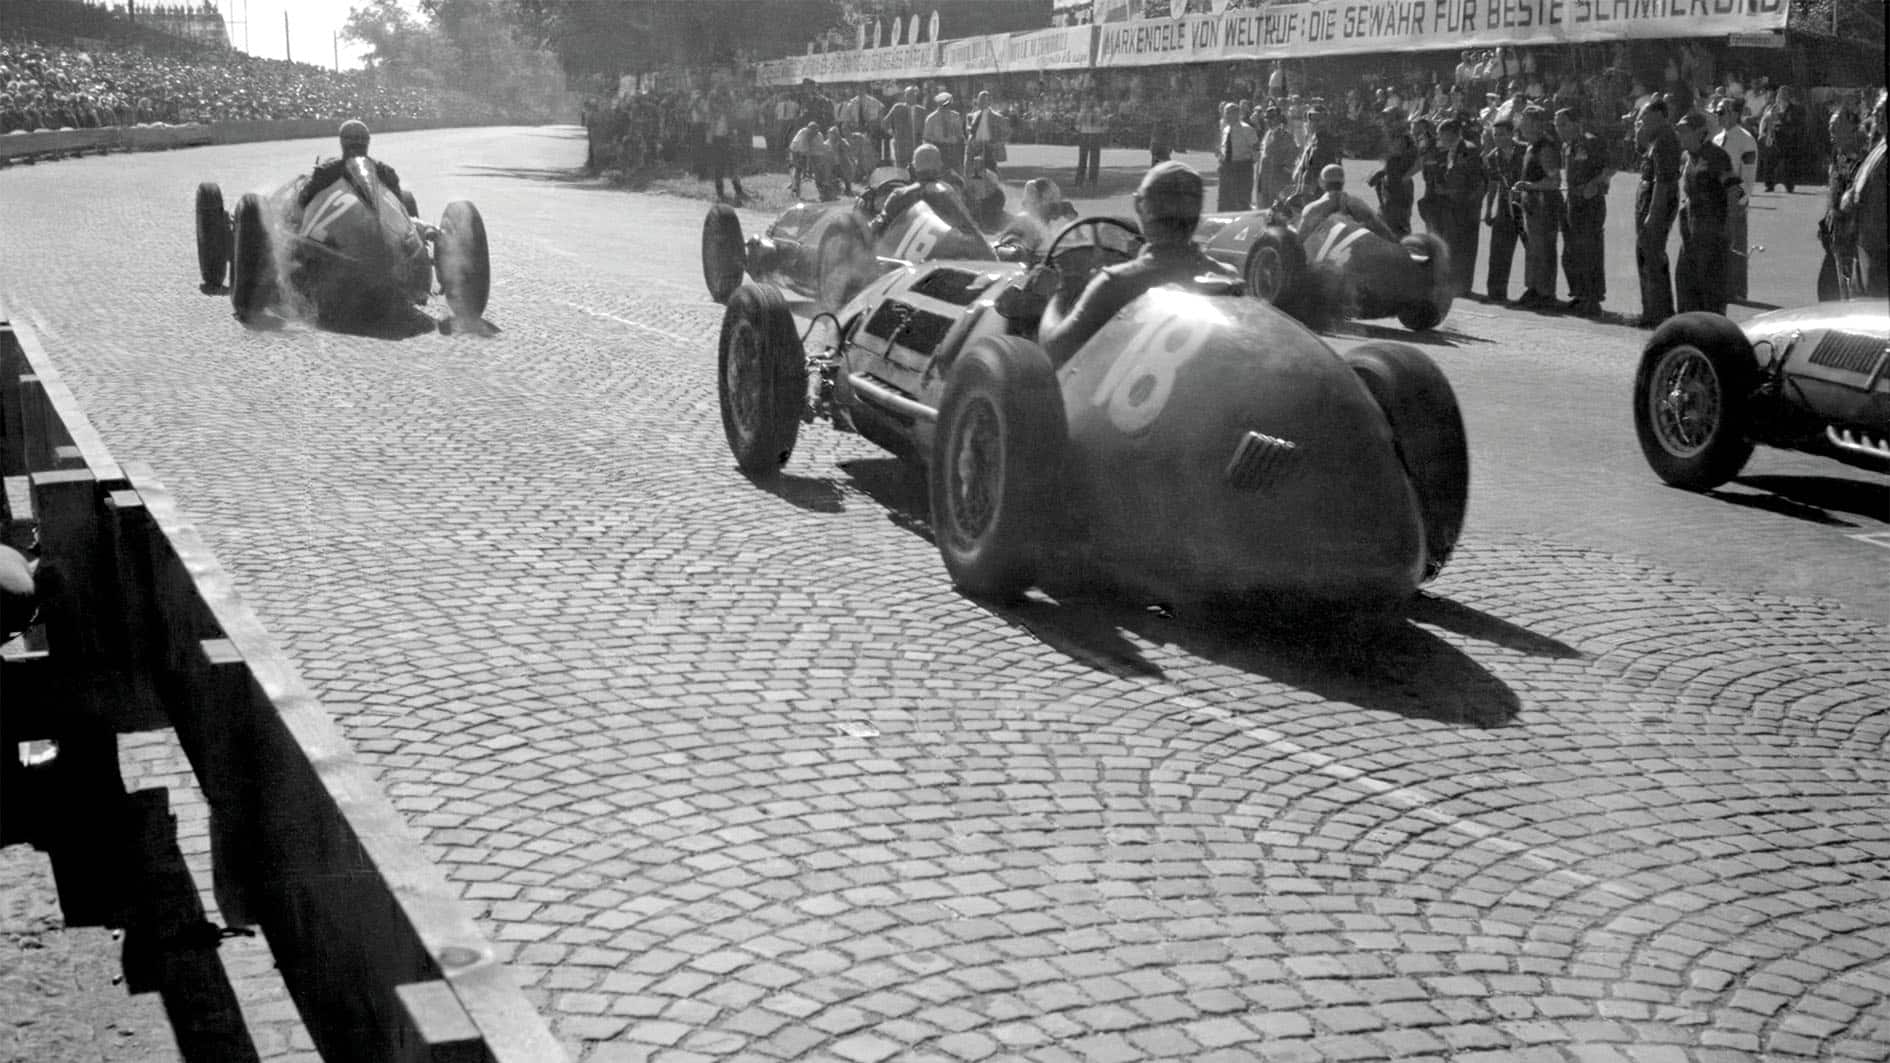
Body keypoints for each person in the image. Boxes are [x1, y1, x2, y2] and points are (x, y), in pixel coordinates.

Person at [1039, 161, 1238, 365]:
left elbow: (1053, 352)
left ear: (1138, 205)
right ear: (1197, 212)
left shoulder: (1116, 284)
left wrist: (1061, 293)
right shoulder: (1228, 280)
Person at [1675, 111, 1741, 314]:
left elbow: (1733, 191)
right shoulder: (1687, 157)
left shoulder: (1716, 156)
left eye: (1686, 131)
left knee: (1710, 287)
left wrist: (1730, 227)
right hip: (1691, 229)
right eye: (1680, 131)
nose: (1681, 135)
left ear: (1701, 133)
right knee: (1685, 281)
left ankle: (1712, 333)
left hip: (1712, 230)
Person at [1556, 107, 1609, 316]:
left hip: (1590, 203)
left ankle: (1593, 298)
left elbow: (1609, 168)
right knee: (1571, 251)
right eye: (1557, 125)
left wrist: (1593, 185)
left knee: (1590, 251)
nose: (1560, 129)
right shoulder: (1567, 146)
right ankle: (1578, 294)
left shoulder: (1591, 141)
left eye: (1564, 124)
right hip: (1572, 201)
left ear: (1577, 123)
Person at [1633, 99, 1681, 327]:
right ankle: (1651, 310)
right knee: (1645, 253)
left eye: (1646, 116)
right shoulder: (1655, 139)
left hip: (1657, 202)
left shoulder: (1665, 140)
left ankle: (1658, 313)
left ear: (1660, 116)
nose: (1642, 120)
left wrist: (1654, 213)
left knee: (1652, 255)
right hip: (1649, 199)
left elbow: (1663, 181)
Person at [872, 144, 982, 239]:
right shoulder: (947, 192)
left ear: (915, 166)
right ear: (939, 165)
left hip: (905, 256)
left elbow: (878, 226)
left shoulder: (900, 195)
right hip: (946, 255)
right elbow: (969, 227)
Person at [1512, 106, 1563, 309]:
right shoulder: (1531, 146)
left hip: (1544, 204)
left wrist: (1529, 186)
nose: (1521, 125)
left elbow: (1554, 181)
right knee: (1533, 248)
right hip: (1532, 204)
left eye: (1525, 121)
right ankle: (1533, 288)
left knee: (1543, 249)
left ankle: (1545, 293)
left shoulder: (1545, 148)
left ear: (1535, 123)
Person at [1836, 92, 1886, 297]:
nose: (1874, 114)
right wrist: (1851, 195)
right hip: (1865, 243)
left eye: (1880, 110)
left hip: (1879, 249)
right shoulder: (1881, 146)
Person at [297, 120, 402, 213]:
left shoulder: (385, 172)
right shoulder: (326, 171)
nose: (357, 142)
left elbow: (400, 208)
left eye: (360, 138)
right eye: (352, 138)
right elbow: (303, 201)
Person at [1713, 98, 1758, 301]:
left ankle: (1738, 290)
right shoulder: (1717, 139)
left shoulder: (1745, 139)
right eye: (1717, 112)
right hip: (1716, 200)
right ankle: (1721, 284)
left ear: (1734, 114)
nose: (1718, 116)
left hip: (1733, 200)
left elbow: (1748, 175)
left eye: (1722, 112)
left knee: (1736, 245)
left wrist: (1741, 199)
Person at [1436, 119, 1487, 298]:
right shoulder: (1450, 150)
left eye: (1442, 134)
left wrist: (1454, 193)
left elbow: (1476, 181)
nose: (1440, 138)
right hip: (1453, 205)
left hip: (1466, 207)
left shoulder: (1468, 150)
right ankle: (1454, 284)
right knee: (1453, 245)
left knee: (1465, 247)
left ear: (1451, 133)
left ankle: (1463, 286)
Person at [1481, 117, 1525, 303]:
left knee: (1533, 249)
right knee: (1499, 250)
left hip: (1527, 206)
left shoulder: (1525, 150)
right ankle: (1496, 293)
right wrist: (1489, 209)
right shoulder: (1493, 157)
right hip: (1505, 206)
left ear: (1512, 133)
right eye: (1495, 135)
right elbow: (1493, 184)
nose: (1498, 138)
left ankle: (1538, 293)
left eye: (1502, 134)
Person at [1299, 164, 1397, 241]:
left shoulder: (1312, 209)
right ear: (1343, 182)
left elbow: (1299, 241)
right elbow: (1385, 233)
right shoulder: (1359, 205)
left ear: (1321, 183)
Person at [1374, 108, 1418, 237]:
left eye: (1388, 119)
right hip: (1389, 186)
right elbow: (1392, 161)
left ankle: (1404, 253)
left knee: (1398, 226)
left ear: (1398, 121)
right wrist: (1382, 172)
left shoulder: (1405, 139)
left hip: (1399, 188)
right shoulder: (1393, 138)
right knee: (1385, 222)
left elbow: (1417, 162)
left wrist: (1404, 178)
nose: (1385, 123)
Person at [1215, 101, 1260, 212]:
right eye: (1226, 113)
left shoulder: (1247, 129)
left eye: (1230, 113)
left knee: (1242, 201)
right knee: (1225, 200)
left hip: (1242, 168)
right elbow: (1225, 147)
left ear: (1237, 114)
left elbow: (1256, 149)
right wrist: (1220, 156)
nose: (1227, 116)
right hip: (1227, 167)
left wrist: (1247, 163)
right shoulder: (1226, 129)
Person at [1291, 107, 1342, 198]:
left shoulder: (1322, 142)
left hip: (1317, 194)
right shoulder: (1315, 139)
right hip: (1319, 192)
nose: (1313, 123)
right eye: (1311, 119)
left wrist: (1303, 195)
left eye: (1318, 120)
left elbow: (1311, 171)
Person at [1255, 106, 1297, 210]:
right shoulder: (1268, 134)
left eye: (1272, 117)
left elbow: (1292, 155)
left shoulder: (1285, 135)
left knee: (1277, 209)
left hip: (1278, 180)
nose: (1269, 120)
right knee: (1264, 208)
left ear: (1279, 118)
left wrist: (1283, 171)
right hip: (1264, 178)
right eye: (1267, 118)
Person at [884, 85, 925, 175]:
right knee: (901, 170)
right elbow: (886, 122)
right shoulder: (898, 107)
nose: (910, 97)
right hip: (901, 145)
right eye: (908, 94)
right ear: (905, 96)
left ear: (916, 96)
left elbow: (924, 128)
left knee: (916, 169)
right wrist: (892, 133)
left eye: (912, 94)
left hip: (916, 145)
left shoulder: (921, 111)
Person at [923, 92, 965, 167]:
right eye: (942, 103)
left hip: (953, 149)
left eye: (947, 103)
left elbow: (960, 135)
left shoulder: (955, 116)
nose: (945, 106)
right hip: (938, 148)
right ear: (938, 104)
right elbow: (926, 137)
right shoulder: (931, 118)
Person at [1074, 96, 1107, 190]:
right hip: (1087, 135)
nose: (1091, 102)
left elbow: (1104, 124)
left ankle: (1090, 181)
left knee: (1093, 161)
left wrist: (1100, 130)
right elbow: (1077, 123)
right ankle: (1081, 182)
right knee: (1084, 160)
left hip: (1092, 135)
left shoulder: (1097, 112)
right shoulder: (1084, 111)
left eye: (1093, 100)